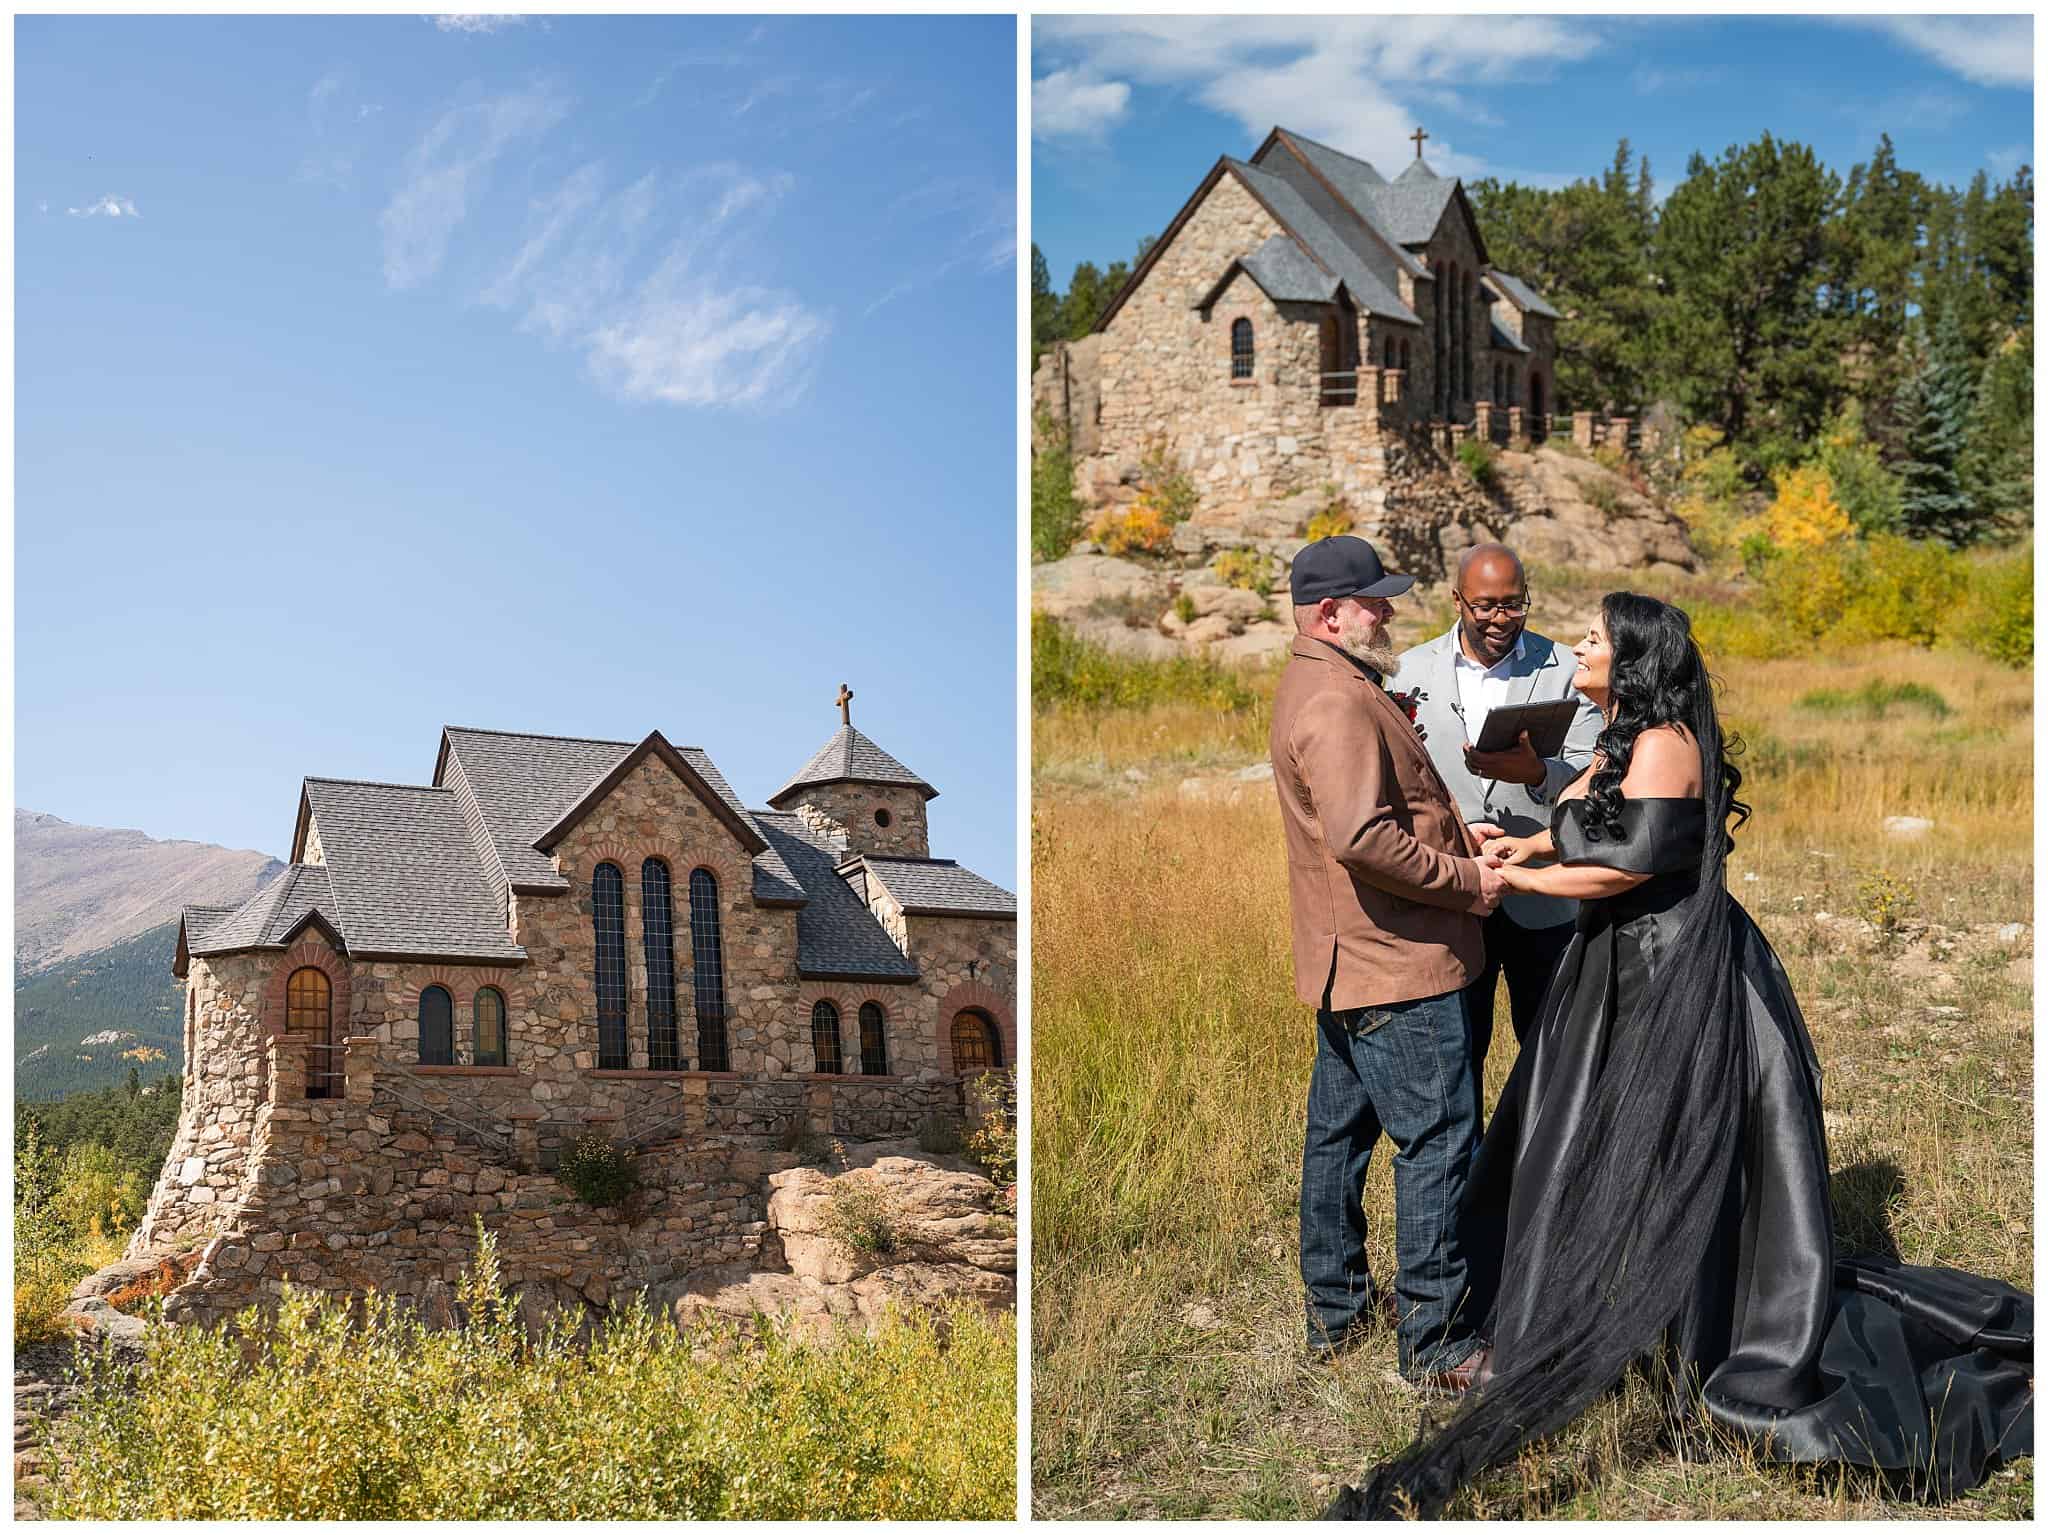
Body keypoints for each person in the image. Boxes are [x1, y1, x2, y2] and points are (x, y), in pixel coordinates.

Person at [1329, 593, 2033, 1517]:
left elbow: (1628, 868)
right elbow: (1588, 822)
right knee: (1577, 1138)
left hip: (1676, 970)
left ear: (1631, 658)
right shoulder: (1617, 733)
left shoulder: (1666, 742)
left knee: (1672, 1145)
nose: (1575, 645)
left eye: (1592, 637)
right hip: (1614, 967)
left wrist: (1504, 880)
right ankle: (1574, 1306)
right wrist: (1528, 834)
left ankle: (1691, 1319)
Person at [1268, 534, 1505, 1391]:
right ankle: (1437, 1343)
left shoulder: (1324, 678)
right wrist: (1468, 878)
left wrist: (1450, 828)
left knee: (1338, 1140)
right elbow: (1363, 838)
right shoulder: (1334, 698)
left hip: (1352, 963)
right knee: (1438, 1143)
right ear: (1330, 613)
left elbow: (1386, 812)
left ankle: (1338, 1314)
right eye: (1375, 601)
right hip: (1397, 966)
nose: (1390, 612)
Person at [1395, 544, 1601, 1088]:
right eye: (1485, 606)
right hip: (1452, 892)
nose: (1500, 620)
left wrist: (1536, 774)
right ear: (1457, 599)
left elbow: (1591, 776)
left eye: (1514, 605)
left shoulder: (1566, 669)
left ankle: (1542, 1169)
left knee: (1554, 1055)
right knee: (1455, 1060)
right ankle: (1470, 1171)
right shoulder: (1405, 671)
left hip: (1546, 894)